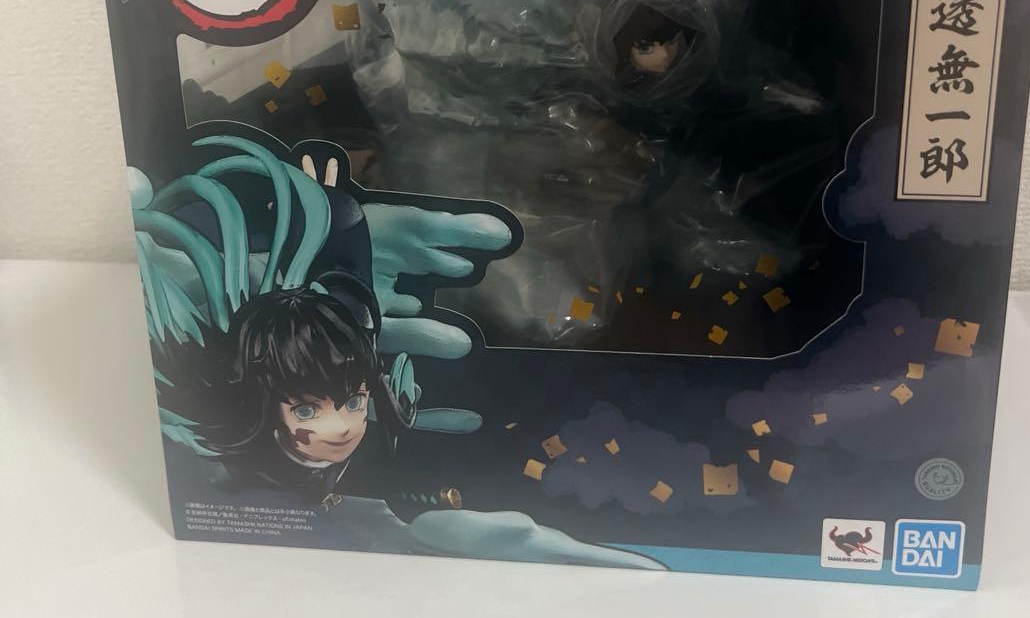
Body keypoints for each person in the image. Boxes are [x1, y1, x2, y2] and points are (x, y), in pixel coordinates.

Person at [136, 130, 663, 569]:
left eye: (353, 401)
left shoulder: (353, 358)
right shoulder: (235, 454)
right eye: (307, 410)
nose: (341, 426)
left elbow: (344, 266)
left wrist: (326, 204)